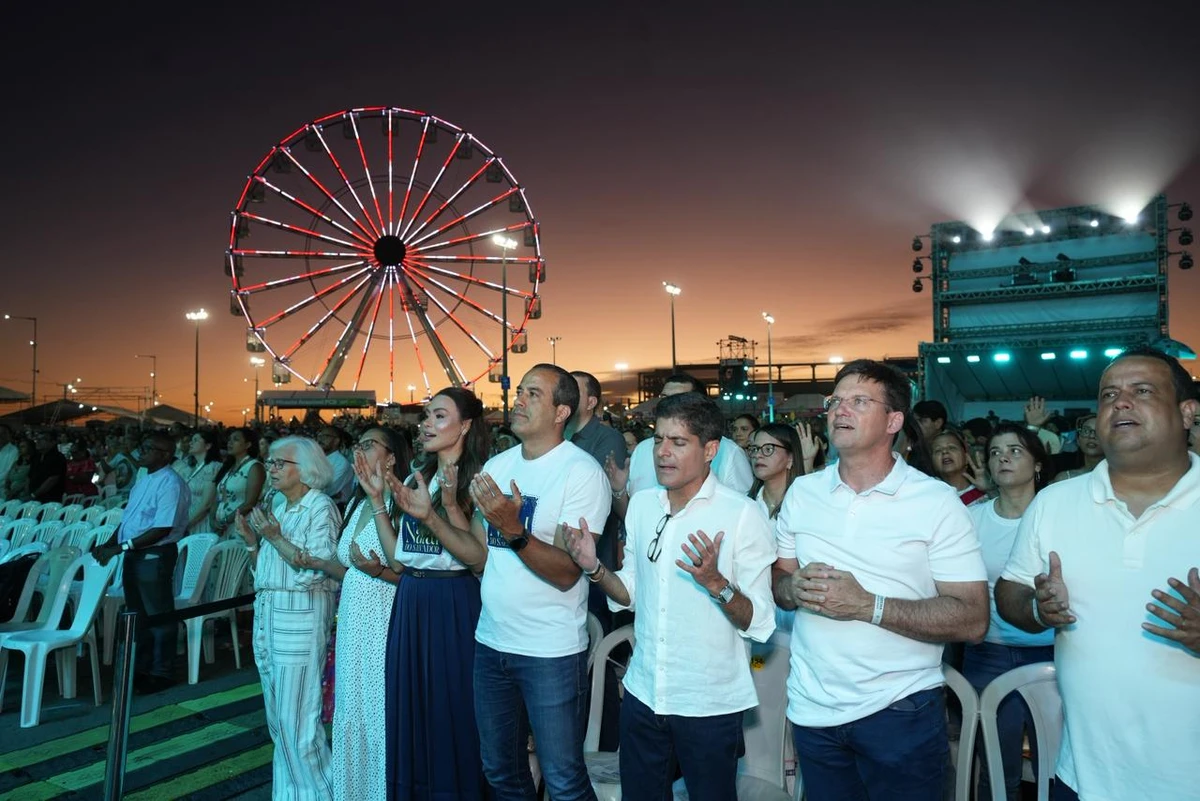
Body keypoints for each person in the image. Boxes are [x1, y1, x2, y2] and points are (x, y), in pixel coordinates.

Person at [772, 359, 989, 801]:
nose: (840, 410)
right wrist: (791, 589)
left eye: (859, 401)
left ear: (893, 421)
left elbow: (972, 618)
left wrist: (867, 605)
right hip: (813, 711)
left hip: (900, 710)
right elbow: (780, 577)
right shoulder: (803, 493)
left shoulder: (936, 502)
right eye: (836, 401)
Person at [995, 347, 1200, 800]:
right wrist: (1037, 609)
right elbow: (1010, 592)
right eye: (1109, 395)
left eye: (1142, 391)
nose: (1120, 402)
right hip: (1084, 777)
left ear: (1187, 412)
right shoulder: (1055, 502)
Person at [563, 392, 776, 800]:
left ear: (710, 450)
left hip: (708, 703)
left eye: (678, 442)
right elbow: (630, 592)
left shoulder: (742, 514)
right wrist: (594, 567)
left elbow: (762, 621)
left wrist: (717, 583)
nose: (662, 452)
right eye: (659, 439)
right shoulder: (643, 505)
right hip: (644, 693)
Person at [430, 364, 610, 800]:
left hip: (549, 650)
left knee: (564, 780)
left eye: (533, 394)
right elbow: (478, 555)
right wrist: (429, 518)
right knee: (501, 772)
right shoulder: (498, 465)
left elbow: (568, 572)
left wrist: (514, 530)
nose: (519, 400)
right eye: (520, 392)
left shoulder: (580, 473)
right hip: (492, 643)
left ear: (561, 412)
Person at [380, 387, 492, 800]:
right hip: (411, 599)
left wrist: (443, 507)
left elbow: (477, 557)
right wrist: (376, 500)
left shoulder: (482, 480)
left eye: (439, 415)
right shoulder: (416, 476)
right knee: (412, 707)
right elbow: (398, 560)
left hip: (453, 601)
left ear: (465, 425)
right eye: (426, 415)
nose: (426, 423)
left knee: (452, 707)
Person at [293, 426, 412, 801]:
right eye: (356, 444)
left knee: (379, 712)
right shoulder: (356, 505)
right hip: (353, 623)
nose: (359, 451)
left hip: (384, 621)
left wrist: (379, 572)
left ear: (391, 457)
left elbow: (413, 575)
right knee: (352, 711)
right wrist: (317, 562)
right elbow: (352, 570)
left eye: (369, 445)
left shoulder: (403, 504)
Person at [236, 436, 340, 800]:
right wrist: (253, 542)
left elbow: (316, 569)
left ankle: (322, 795)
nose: (272, 469)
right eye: (270, 462)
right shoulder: (279, 505)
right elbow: (265, 573)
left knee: (298, 722)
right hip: (269, 611)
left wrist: (275, 538)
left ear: (306, 470)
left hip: (299, 613)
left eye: (280, 463)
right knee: (279, 722)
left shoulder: (320, 507)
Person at [962, 423, 1054, 801]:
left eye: (1015, 451)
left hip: (1055, 651)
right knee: (999, 770)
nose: (1003, 458)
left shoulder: (1059, 515)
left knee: (1057, 763)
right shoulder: (973, 520)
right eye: (995, 452)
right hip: (991, 653)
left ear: (1037, 464)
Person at [91, 431, 190, 692]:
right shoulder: (145, 477)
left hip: (154, 555)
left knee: (158, 616)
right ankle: (142, 668)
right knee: (138, 615)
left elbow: (162, 528)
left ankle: (162, 672)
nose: (140, 452)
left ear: (165, 455)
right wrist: (111, 543)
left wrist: (120, 547)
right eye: (142, 447)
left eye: (148, 448)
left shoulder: (171, 483)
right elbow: (130, 520)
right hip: (135, 554)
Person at [609, 374, 753, 519]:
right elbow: (633, 519)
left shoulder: (730, 453)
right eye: (664, 397)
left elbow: (740, 512)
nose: (662, 452)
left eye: (679, 442)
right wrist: (618, 491)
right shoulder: (642, 450)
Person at [747, 422, 807, 520]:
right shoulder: (746, 504)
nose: (757, 455)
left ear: (790, 458)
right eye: (754, 449)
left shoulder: (804, 503)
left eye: (768, 449)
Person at [213, 428, 266, 536]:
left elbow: (249, 503)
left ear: (248, 444)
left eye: (235, 439)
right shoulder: (229, 467)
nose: (230, 443)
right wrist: (212, 519)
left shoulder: (254, 467)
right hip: (221, 526)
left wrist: (225, 521)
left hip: (241, 526)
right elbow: (218, 497)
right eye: (229, 439)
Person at [930, 429, 989, 505]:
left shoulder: (986, 493)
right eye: (938, 450)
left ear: (966, 458)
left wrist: (990, 490)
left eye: (951, 448)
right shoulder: (928, 495)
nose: (944, 452)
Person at [183, 430, 221, 534]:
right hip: (186, 518)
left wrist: (185, 526)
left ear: (208, 446)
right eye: (191, 440)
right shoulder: (190, 467)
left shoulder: (213, 468)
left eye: (195, 440)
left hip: (200, 522)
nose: (190, 443)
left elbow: (207, 504)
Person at [1053, 414, 1102, 482]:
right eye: (1086, 431)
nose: (1091, 436)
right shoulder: (1065, 479)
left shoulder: (1116, 478)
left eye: (1098, 431)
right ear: (1078, 440)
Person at [317, 425, 355, 505]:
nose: (320, 439)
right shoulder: (316, 458)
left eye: (326, 436)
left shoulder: (341, 463)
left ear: (336, 441)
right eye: (320, 435)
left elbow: (326, 491)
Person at [29, 431, 67, 503]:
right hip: (32, 495)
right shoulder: (36, 457)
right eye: (37, 439)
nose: (38, 442)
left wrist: (34, 494)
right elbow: (29, 476)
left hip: (50, 499)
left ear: (53, 442)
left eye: (42, 439)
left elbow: (52, 479)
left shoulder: (58, 457)